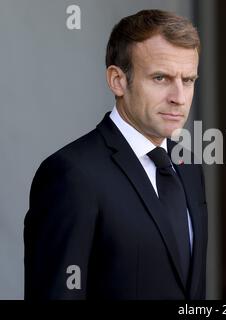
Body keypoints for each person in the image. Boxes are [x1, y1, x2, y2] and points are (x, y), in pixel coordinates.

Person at [24, 9, 207, 300]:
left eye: (188, 80)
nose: (179, 97)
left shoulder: (189, 165)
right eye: (161, 78)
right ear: (117, 80)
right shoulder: (71, 174)